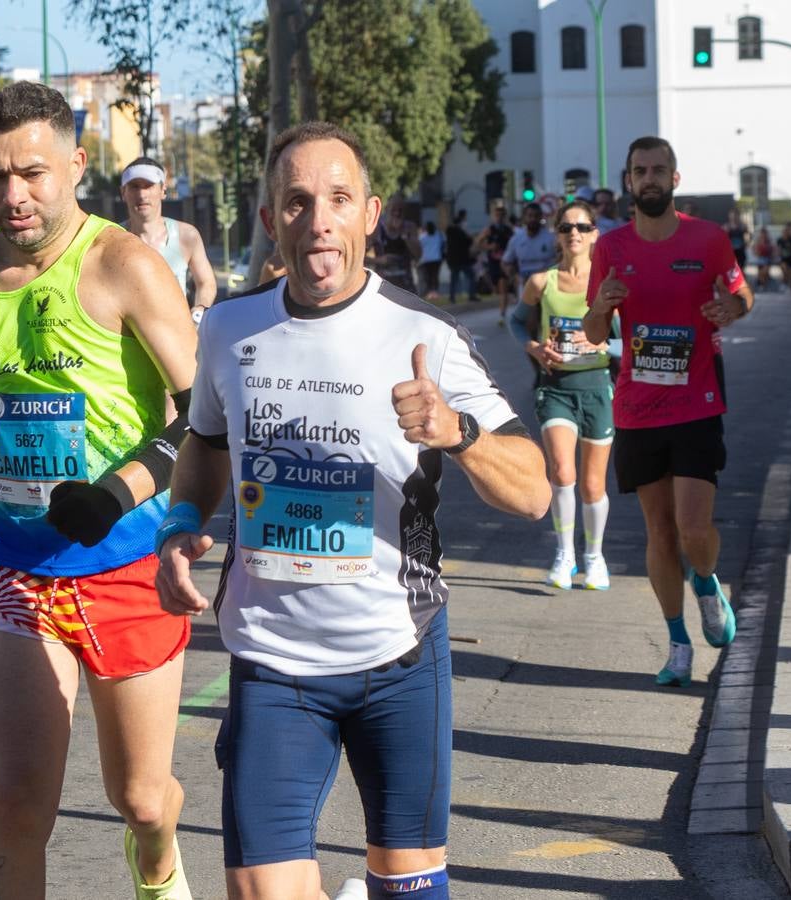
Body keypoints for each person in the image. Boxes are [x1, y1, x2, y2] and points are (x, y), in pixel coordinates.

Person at [155, 121, 549, 900]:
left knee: (409, 889)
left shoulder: (425, 336)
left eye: (338, 199)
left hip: (397, 661)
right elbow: (204, 444)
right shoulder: (231, 330)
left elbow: (534, 489)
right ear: (272, 220)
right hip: (274, 664)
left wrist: (456, 432)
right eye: (298, 202)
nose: (319, 220)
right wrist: (178, 524)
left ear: (371, 213)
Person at [0, 80, 198, 899]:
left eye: (33, 173)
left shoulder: (124, 267)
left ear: (75, 164)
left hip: (127, 564)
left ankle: (158, 863)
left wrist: (117, 491)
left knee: (139, 798)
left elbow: (204, 414)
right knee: (16, 816)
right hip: (13, 569)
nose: (14, 195)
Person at [583, 135, 753, 688]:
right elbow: (591, 331)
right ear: (629, 182)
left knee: (694, 527)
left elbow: (741, 295)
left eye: (659, 170)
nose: (650, 178)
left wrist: (731, 307)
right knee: (659, 530)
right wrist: (603, 306)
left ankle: (706, 580)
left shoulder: (708, 240)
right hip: (636, 407)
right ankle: (678, 643)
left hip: (697, 399)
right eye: (640, 171)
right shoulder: (610, 248)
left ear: (674, 179)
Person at [509, 200, 614, 591]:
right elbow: (518, 323)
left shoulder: (608, 284)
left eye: (583, 228)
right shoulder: (542, 282)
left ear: (594, 235)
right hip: (556, 389)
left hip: (597, 388)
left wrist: (602, 348)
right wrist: (535, 348)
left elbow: (625, 341)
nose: (575, 234)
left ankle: (595, 558)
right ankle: (565, 555)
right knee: (562, 472)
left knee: (592, 484)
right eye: (567, 227)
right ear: (557, 233)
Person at [120, 155, 216, 324]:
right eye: (134, 186)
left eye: (149, 186)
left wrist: (199, 310)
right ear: (123, 192)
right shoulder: (112, 238)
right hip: (126, 343)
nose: (142, 194)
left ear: (163, 190)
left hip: (176, 339)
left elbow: (206, 282)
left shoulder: (186, 236)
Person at [503, 203, 557, 300]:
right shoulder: (516, 239)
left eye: (536, 216)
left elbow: (561, 260)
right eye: (530, 216)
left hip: (547, 285)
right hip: (524, 283)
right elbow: (506, 262)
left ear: (540, 217)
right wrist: (513, 276)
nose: (533, 219)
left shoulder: (551, 238)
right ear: (524, 217)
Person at [475, 204, 514, 324]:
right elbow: (478, 243)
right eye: (497, 215)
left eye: (502, 215)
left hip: (505, 263)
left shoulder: (508, 230)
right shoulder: (489, 230)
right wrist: (490, 246)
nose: (499, 218)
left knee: (503, 287)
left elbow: (515, 244)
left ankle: (502, 314)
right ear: (493, 216)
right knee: (496, 288)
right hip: (493, 262)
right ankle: (503, 308)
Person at [372, 197, 420, 292]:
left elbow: (418, 255)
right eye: (393, 209)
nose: (397, 213)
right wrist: (379, 260)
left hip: (406, 285)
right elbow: (360, 257)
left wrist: (405, 236)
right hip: (383, 285)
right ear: (386, 209)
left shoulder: (409, 227)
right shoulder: (376, 228)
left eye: (400, 210)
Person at [444, 209, 475, 304]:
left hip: (453, 259)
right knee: (471, 276)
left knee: (454, 278)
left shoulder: (449, 231)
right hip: (462, 259)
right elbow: (468, 241)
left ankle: (452, 297)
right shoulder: (461, 232)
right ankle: (471, 295)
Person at [417, 221, 444, 300]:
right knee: (435, 276)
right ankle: (435, 291)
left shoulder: (423, 237)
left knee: (428, 277)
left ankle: (430, 292)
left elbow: (419, 246)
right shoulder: (438, 235)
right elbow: (442, 244)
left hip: (427, 259)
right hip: (436, 258)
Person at [724, 208, 750, 276]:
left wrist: (747, 242)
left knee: (741, 269)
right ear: (729, 216)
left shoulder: (743, 226)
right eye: (732, 215)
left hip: (740, 251)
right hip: (731, 252)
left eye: (735, 215)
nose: (734, 217)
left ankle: (741, 284)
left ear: (738, 216)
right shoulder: (726, 226)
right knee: (731, 270)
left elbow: (748, 235)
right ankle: (733, 285)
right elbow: (722, 239)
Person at [753, 226, 774, 291]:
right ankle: (762, 285)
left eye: (764, 233)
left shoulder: (769, 241)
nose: (763, 235)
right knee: (762, 272)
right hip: (760, 260)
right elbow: (755, 251)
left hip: (767, 259)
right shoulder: (758, 241)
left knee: (764, 271)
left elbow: (772, 250)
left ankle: (763, 284)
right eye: (762, 233)